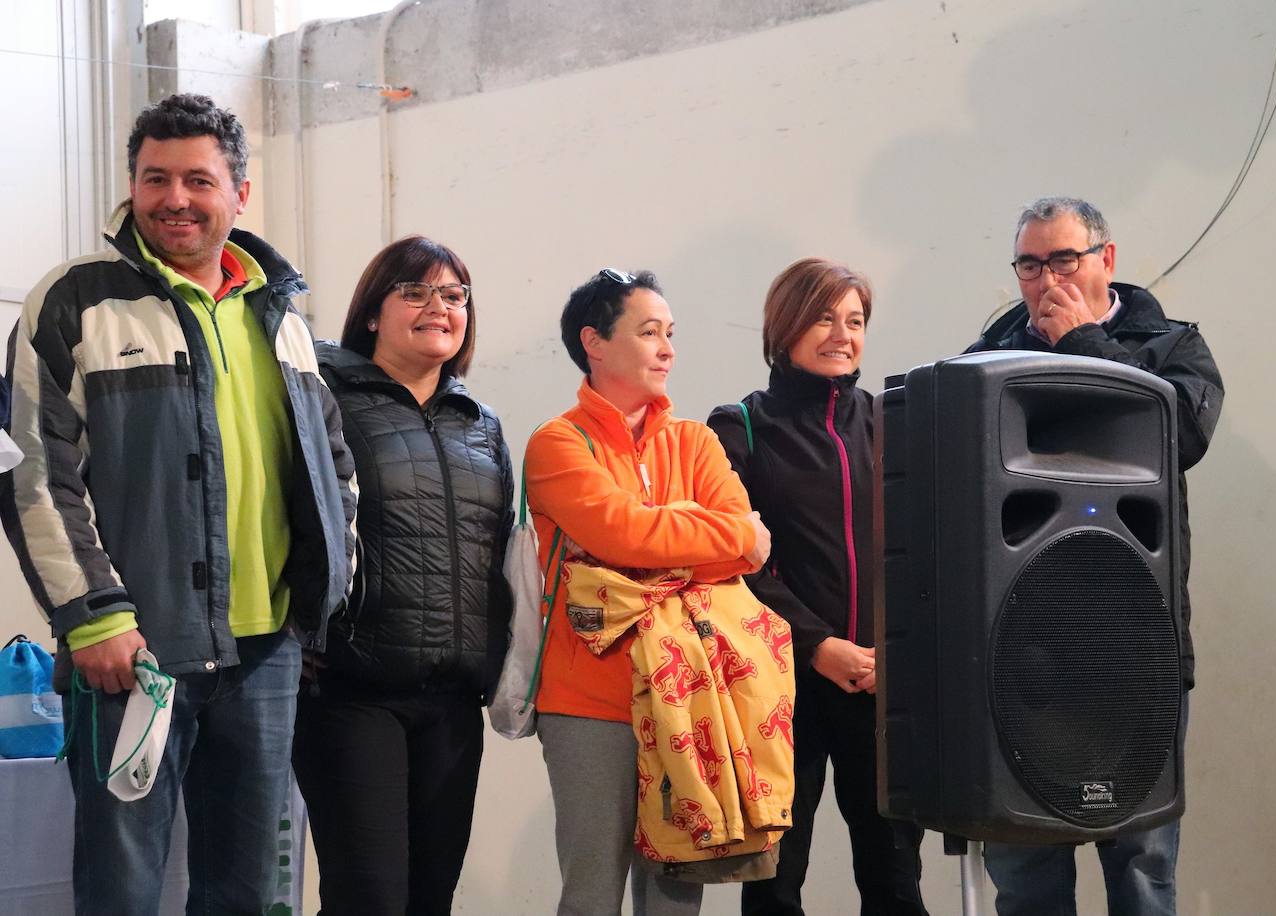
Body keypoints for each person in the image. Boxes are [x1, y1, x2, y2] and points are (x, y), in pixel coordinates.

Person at [0, 93, 356, 914]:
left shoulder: (280, 316)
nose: (175, 198)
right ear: (131, 186)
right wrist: (93, 617)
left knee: (248, 891)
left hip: (267, 653)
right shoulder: (72, 303)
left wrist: (323, 590)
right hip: (133, 656)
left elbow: (335, 467)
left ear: (240, 191)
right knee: (123, 890)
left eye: (198, 179)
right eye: (154, 178)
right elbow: (30, 473)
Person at [967, 196, 1224, 915]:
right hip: (1021, 652)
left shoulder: (1170, 346)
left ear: (1106, 260)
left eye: (1063, 260)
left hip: (1135, 647)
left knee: (1141, 864)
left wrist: (1083, 342)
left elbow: (1182, 437)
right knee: (1023, 867)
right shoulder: (986, 359)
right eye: (1029, 263)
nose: (1046, 279)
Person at [525, 268, 773, 916]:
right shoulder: (557, 444)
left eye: (670, 333)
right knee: (591, 894)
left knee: (675, 898)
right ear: (595, 342)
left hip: (689, 693)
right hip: (588, 700)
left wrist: (674, 537)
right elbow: (624, 533)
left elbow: (748, 550)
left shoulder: (695, 440)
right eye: (649, 332)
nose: (667, 348)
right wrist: (704, 533)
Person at [292, 236, 513, 915]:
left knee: (429, 899)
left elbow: (500, 554)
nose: (437, 308)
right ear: (372, 312)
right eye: (414, 292)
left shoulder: (480, 424)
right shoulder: (324, 397)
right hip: (352, 691)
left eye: (453, 295)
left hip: (452, 700)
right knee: (370, 898)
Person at [706, 258, 930, 916]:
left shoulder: (895, 423)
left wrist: (889, 652)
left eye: (855, 320)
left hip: (879, 686)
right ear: (786, 326)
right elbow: (731, 561)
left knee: (896, 882)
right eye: (825, 317)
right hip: (778, 688)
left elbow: (918, 552)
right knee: (775, 888)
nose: (842, 334)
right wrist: (817, 645)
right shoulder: (738, 426)